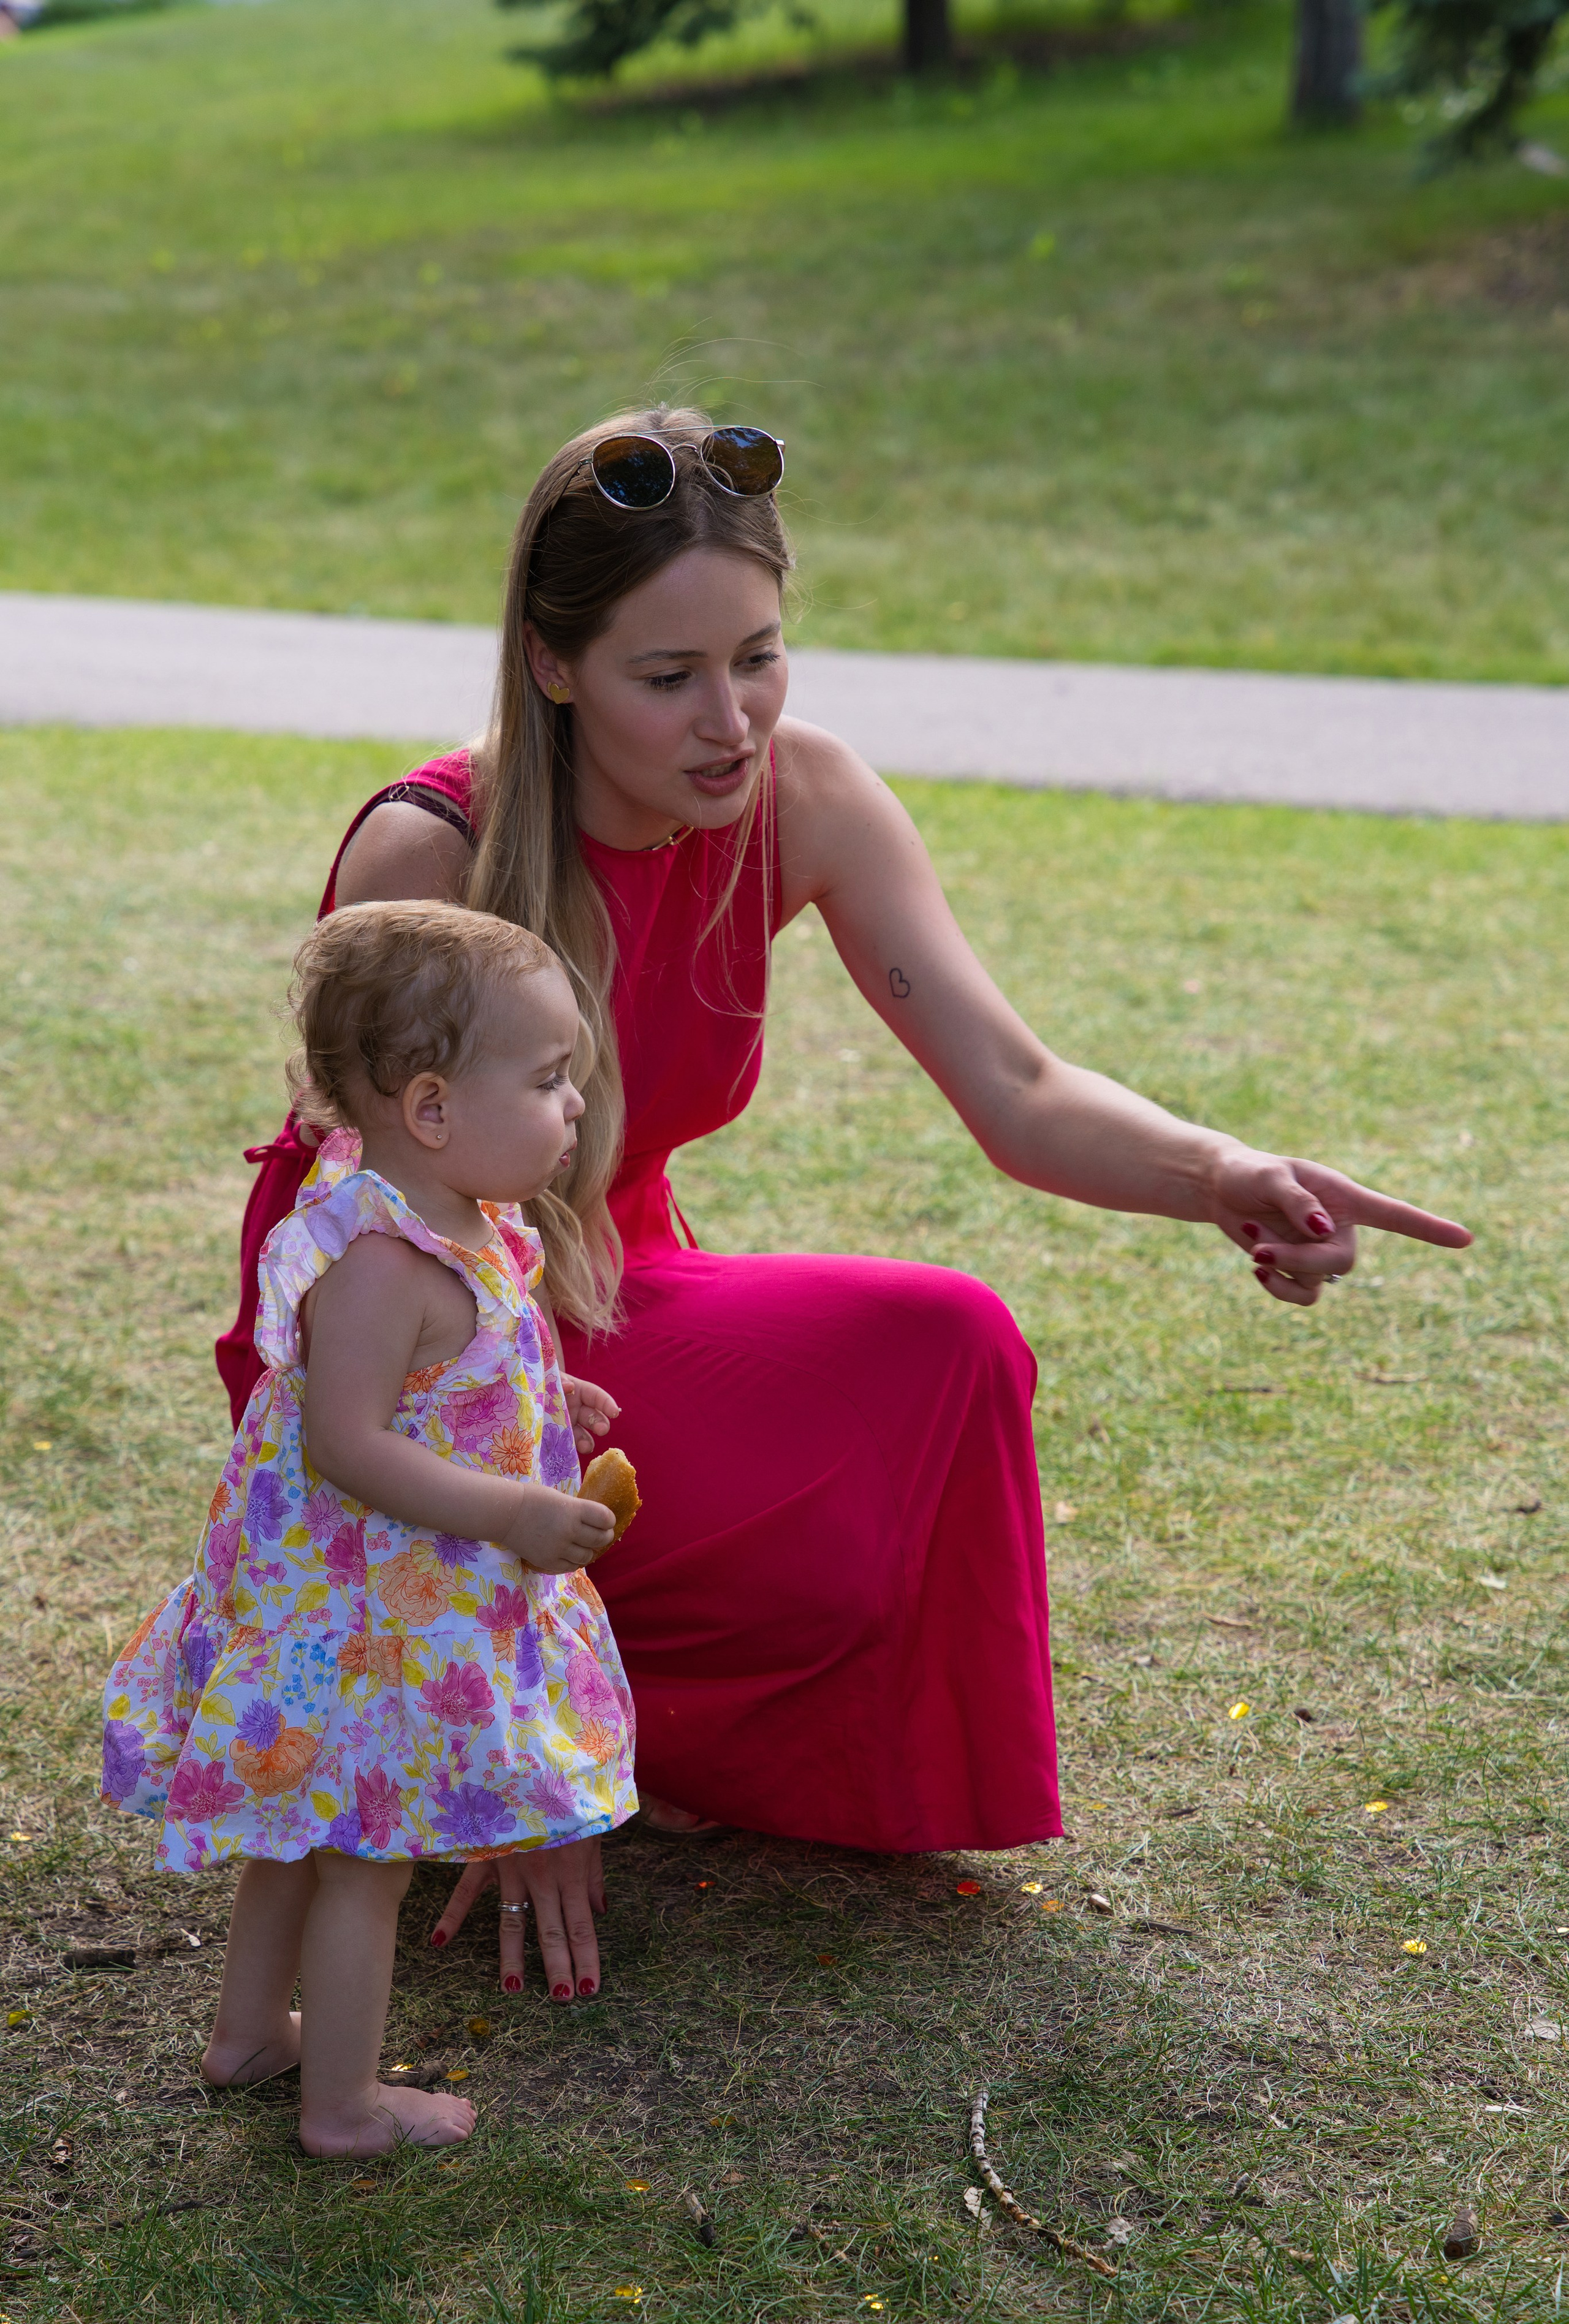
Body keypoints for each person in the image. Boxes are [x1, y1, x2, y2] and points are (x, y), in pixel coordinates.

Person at [216, 405, 1470, 1992]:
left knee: (946, 1345)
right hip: (414, 1345)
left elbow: (1015, 1089)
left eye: (759, 656)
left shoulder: (804, 800)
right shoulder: (431, 853)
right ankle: (497, 1724)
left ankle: (683, 1738)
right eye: (665, 679)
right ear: (550, 665)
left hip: (618, 1283)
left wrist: (1226, 1175)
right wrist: (509, 1754)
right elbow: (362, 1263)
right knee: (672, 1486)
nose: (728, 720)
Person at [104, 902, 637, 2154]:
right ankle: (342, 2105)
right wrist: (515, 1508)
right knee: (362, 1858)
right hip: (359, 1625)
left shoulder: (455, 1220)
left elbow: (426, 1385)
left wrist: (530, 1395)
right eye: (552, 1081)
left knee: (298, 1833)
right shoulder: (385, 1260)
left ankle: (247, 2038)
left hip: (365, 1608)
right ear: (434, 1108)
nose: (574, 1108)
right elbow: (348, 1440)